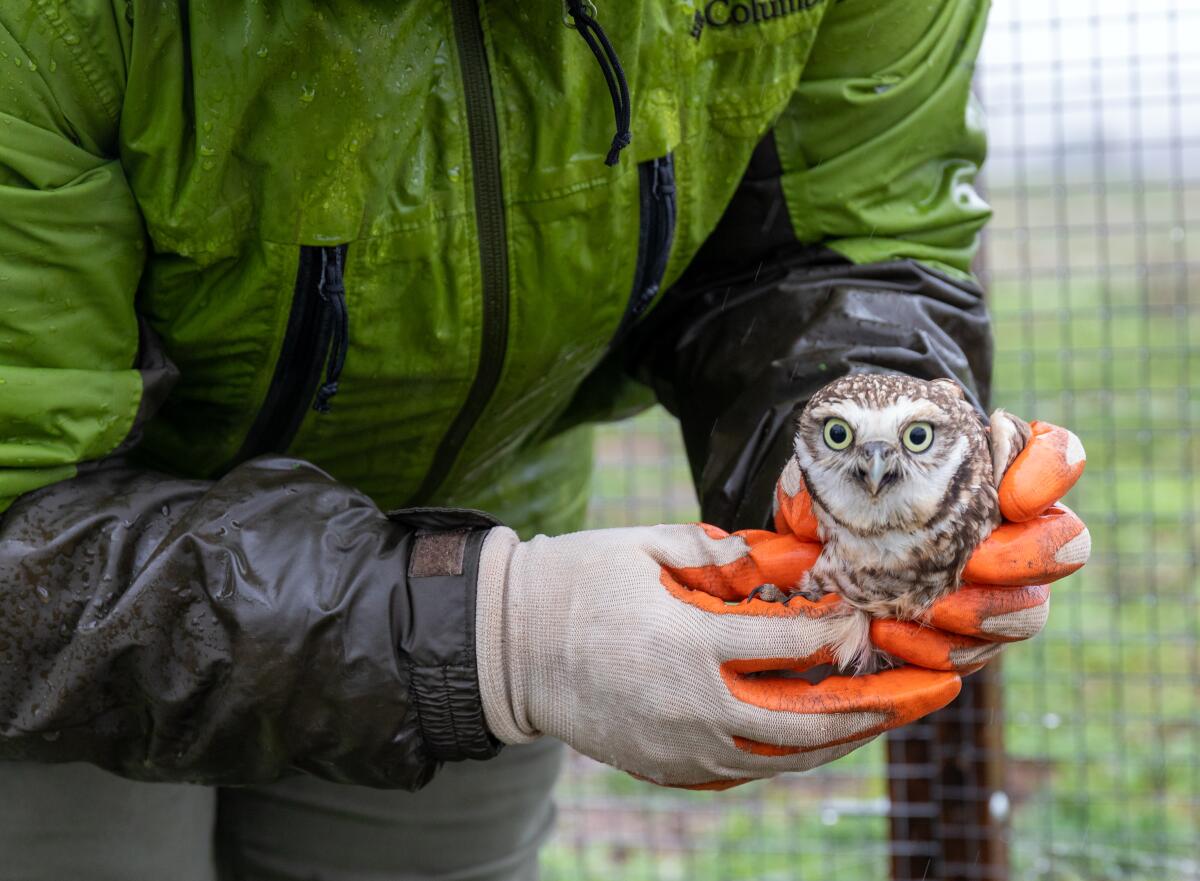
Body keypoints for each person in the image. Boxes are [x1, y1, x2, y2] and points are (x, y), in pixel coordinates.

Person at [0, 1, 1088, 879]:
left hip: (483, 506)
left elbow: (842, 228)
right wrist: (502, 638)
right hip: (73, 572)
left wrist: (851, 487)